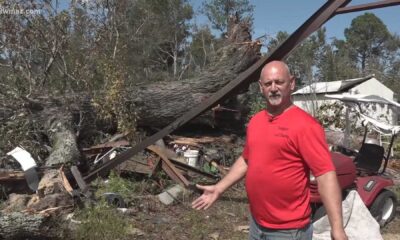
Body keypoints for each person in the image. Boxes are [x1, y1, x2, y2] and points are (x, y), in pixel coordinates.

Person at [192, 61, 348, 240]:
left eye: (279, 82)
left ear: (292, 83)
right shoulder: (256, 121)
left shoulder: (306, 126)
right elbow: (246, 160)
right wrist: (219, 188)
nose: (273, 88)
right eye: (268, 84)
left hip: (289, 231)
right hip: (257, 225)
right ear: (261, 87)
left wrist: (337, 228)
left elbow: (326, 176)